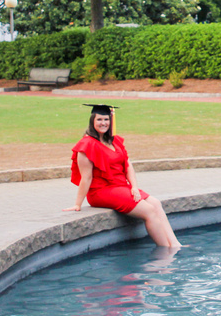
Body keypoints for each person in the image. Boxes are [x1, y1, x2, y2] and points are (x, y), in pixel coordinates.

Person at [64, 104, 182, 249]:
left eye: (106, 119)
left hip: (121, 187)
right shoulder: (86, 145)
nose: (103, 123)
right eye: (99, 119)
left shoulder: (114, 141)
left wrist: (134, 187)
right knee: (149, 211)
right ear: (92, 121)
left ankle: (175, 244)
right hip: (101, 191)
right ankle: (166, 250)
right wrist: (78, 204)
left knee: (156, 204)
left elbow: (128, 166)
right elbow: (86, 177)